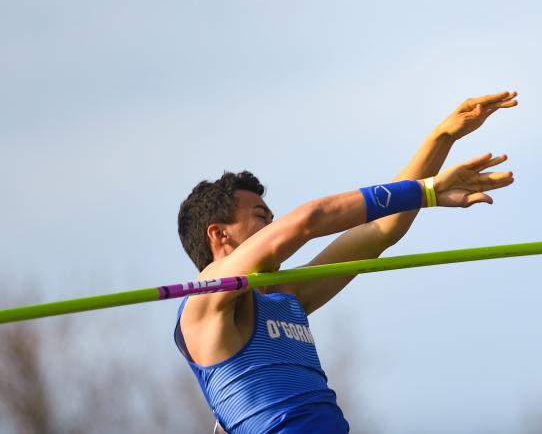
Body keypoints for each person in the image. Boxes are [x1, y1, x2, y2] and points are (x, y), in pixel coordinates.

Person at [174, 91, 518, 433]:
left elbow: (380, 230)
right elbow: (309, 219)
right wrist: (423, 192)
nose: (273, 227)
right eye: (262, 216)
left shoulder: (283, 296)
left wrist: (442, 138)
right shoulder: (205, 301)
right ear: (218, 234)